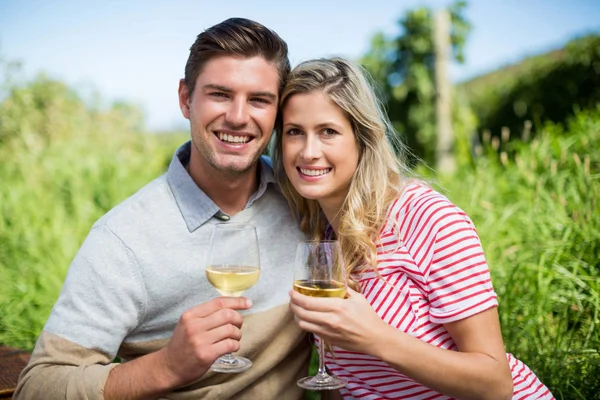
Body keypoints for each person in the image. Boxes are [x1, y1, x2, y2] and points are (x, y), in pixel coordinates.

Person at [15, 18, 310, 400]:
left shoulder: (306, 204)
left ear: (277, 113)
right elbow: (36, 389)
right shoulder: (124, 239)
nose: (238, 116)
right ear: (186, 99)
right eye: (220, 94)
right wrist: (167, 365)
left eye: (259, 99)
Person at [273, 57, 553, 400]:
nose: (309, 151)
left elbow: (495, 384)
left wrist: (374, 337)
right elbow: (343, 379)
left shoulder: (427, 219)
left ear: (362, 139)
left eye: (328, 132)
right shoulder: (322, 237)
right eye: (294, 132)